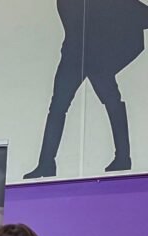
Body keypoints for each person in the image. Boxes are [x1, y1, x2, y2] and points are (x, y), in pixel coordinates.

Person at [24, 0, 148, 178]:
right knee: (60, 107)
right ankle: (46, 163)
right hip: (77, 55)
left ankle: (122, 157)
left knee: (109, 101)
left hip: (95, 56)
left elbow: (139, 15)